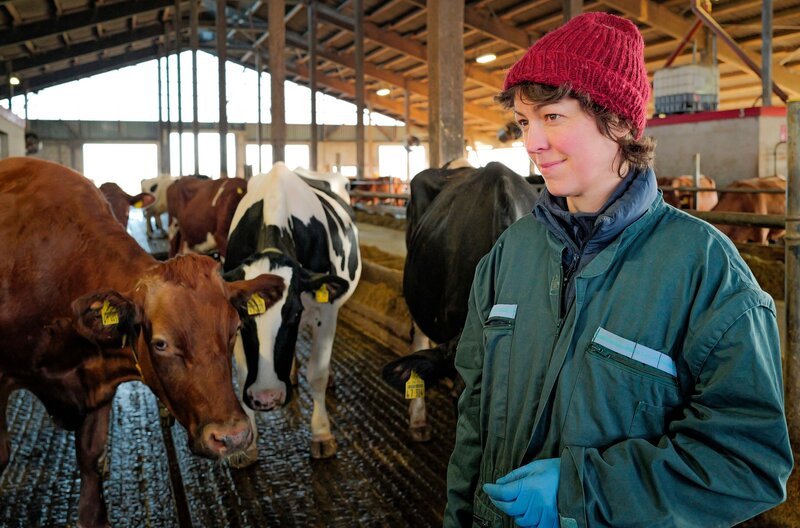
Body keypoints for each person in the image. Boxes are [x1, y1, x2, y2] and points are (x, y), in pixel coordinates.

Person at [444, 12, 792, 528]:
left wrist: (582, 491)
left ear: (620, 121)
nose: (531, 142)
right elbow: (473, 417)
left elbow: (748, 463)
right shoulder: (509, 254)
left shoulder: (706, 272)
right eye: (524, 121)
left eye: (552, 117)